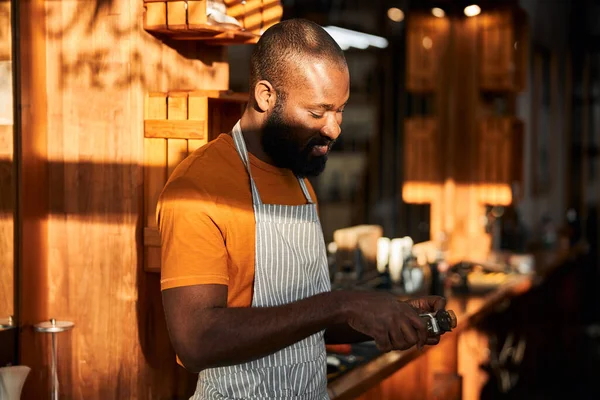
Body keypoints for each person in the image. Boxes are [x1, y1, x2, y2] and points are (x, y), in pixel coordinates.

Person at [158, 18, 447, 400]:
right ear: (265, 96)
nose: (334, 129)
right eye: (318, 112)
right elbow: (195, 341)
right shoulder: (198, 188)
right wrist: (341, 302)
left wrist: (385, 314)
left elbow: (305, 324)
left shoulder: (299, 176)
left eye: (340, 110)